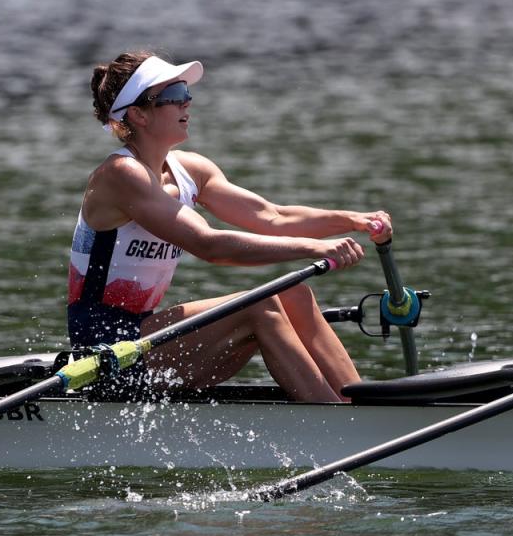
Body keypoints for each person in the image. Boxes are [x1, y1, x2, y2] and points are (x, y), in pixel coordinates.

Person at [71, 51, 392, 402]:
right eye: (175, 96)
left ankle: (359, 403)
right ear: (137, 114)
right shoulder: (121, 175)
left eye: (186, 94)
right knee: (260, 305)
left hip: (144, 340)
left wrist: (354, 220)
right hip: (106, 354)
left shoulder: (190, 170)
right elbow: (210, 246)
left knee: (294, 293)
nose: (187, 104)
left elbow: (273, 217)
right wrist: (316, 248)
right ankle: (336, 423)